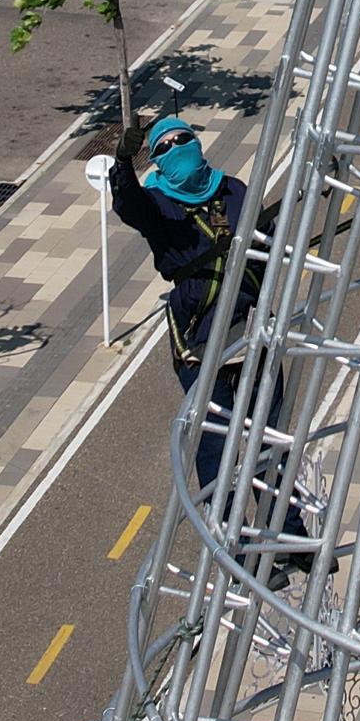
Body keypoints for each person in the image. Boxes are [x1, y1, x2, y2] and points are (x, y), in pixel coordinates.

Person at [108, 113, 254, 487]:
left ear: (197, 143)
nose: (176, 148)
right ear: (156, 161)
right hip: (199, 342)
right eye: (164, 147)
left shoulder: (233, 191)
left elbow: (268, 237)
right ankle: (222, 535)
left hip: (252, 333)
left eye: (182, 139)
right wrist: (123, 162)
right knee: (217, 448)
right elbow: (128, 203)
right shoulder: (158, 206)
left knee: (271, 445)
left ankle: (292, 538)